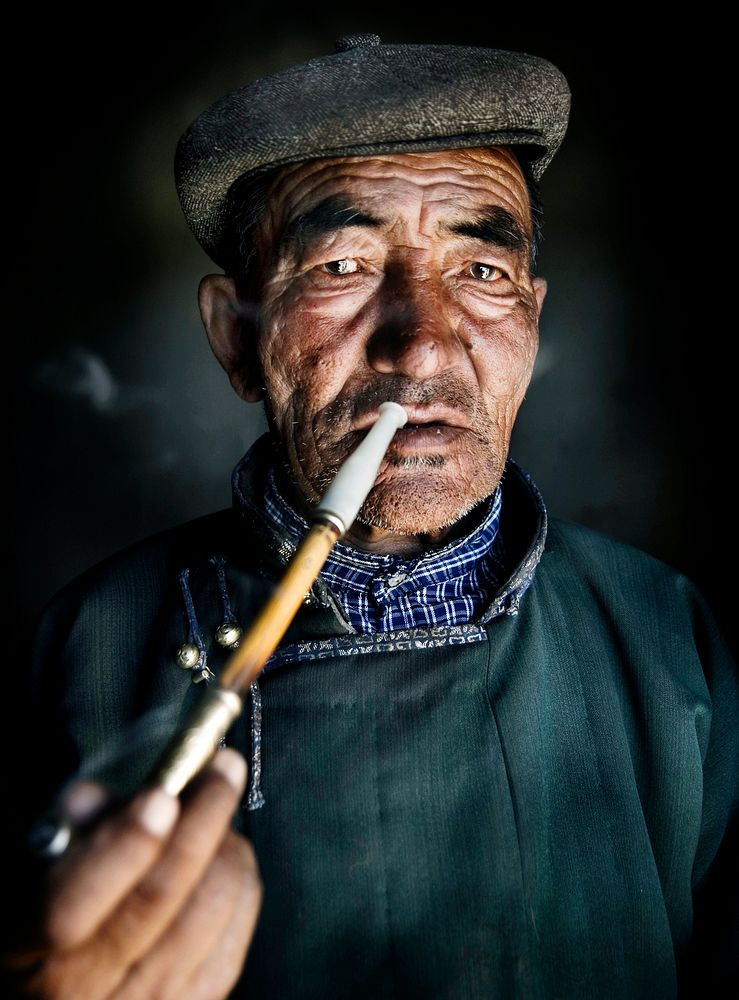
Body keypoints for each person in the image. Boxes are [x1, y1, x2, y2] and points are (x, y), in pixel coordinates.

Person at [3, 34, 737, 1000]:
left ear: (532, 318)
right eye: (343, 266)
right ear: (235, 335)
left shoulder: (663, 636)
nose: (423, 346)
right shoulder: (86, 649)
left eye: (482, 272)